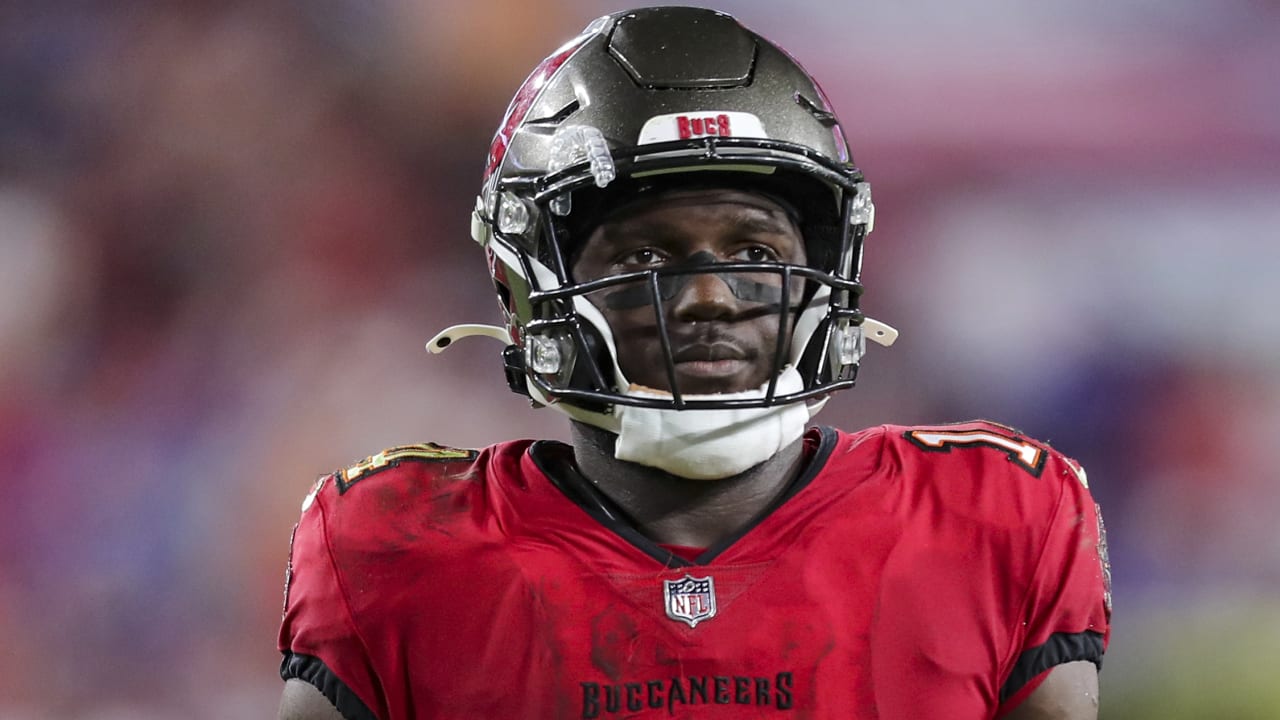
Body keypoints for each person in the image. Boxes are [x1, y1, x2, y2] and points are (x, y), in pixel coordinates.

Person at [276, 6, 1111, 719]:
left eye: (753, 247)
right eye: (645, 258)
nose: (709, 296)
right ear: (530, 288)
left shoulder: (994, 522)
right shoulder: (393, 546)